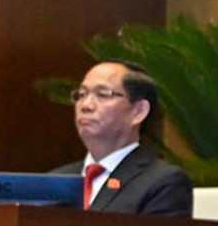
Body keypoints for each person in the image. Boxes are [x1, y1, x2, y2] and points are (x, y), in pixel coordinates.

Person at [60, 61, 192, 217]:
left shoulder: (163, 183)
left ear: (138, 111)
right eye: (81, 95)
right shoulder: (56, 180)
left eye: (103, 94)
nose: (86, 105)